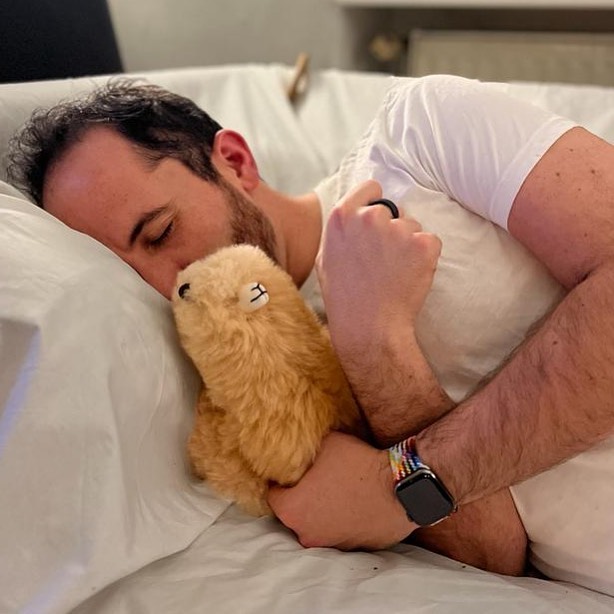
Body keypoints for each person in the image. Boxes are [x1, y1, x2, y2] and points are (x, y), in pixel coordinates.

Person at [6, 74, 614, 595]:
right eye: (135, 280)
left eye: (161, 232)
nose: (172, 286)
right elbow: (492, 552)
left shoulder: (416, 135)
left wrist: (395, 482)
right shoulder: (269, 388)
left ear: (235, 162)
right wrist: (374, 344)